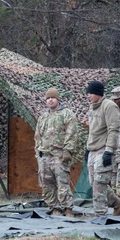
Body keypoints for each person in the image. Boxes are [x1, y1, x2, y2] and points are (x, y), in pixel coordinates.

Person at [34, 87, 79, 217]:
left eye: (52, 98)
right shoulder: (43, 116)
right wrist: (38, 152)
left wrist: (68, 151)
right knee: (47, 185)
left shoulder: (67, 114)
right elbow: (38, 136)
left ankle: (68, 209)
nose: (50, 100)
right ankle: (54, 208)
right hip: (44, 156)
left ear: (58, 99)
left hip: (59, 156)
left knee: (62, 184)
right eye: (48, 98)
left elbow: (72, 133)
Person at [85, 80, 120, 216]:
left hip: (104, 149)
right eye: (88, 93)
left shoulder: (109, 106)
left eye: (91, 93)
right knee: (94, 183)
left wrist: (109, 151)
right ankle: (118, 205)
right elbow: (93, 130)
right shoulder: (92, 107)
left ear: (98, 93)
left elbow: (113, 129)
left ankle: (100, 215)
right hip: (93, 149)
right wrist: (87, 148)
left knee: (99, 182)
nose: (88, 96)